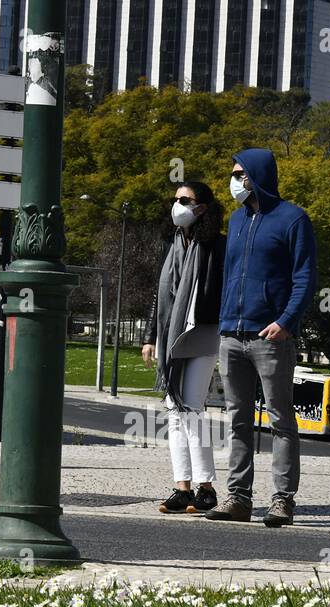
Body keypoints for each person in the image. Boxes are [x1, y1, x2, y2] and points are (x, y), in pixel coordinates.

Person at [205, 148, 316, 528]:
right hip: (231, 334)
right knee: (236, 418)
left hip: (271, 336)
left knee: (281, 419)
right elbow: (228, 275)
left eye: (239, 174)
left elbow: (304, 278)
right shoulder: (237, 220)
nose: (234, 180)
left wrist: (286, 321)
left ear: (256, 176)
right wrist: (221, 322)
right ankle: (238, 498)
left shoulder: (293, 219)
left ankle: (283, 500)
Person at [142, 181, 226, 514]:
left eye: (185, 200)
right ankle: (183, 488)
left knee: (190, 407)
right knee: (175, 412)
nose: (177, 204)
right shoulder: (172, 243)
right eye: (175, 199)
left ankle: (206, 489)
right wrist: (150, 337)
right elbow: (158, 295)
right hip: (170, 335)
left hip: (203, 333)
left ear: (202, 208)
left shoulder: (217, 246)